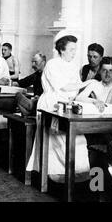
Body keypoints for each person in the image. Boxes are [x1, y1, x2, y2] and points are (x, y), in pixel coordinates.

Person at [26, 32, 94, 182]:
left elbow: (75, 90)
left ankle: (75, 175)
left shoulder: (74, 66)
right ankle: (53, 175)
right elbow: (63, 87)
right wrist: (87, 83)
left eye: (75, 49)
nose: (74, 53)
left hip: (67, 106)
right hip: (50, 106)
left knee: (79, 139)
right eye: (71, 49)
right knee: (56, 140)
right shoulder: (52, 64)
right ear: (62, 50)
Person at [12, 52, 46, 117]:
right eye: (32, 62)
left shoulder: (48, 75)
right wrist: (6, 82)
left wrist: (41, 98)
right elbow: (21, 83)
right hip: (35, 102)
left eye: (35, 62)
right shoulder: (36, 75)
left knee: (18, 96)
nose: (33, 65)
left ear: (43, 62)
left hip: (42, 103)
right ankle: (29, 113)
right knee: (18, 96)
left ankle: (29, 113)